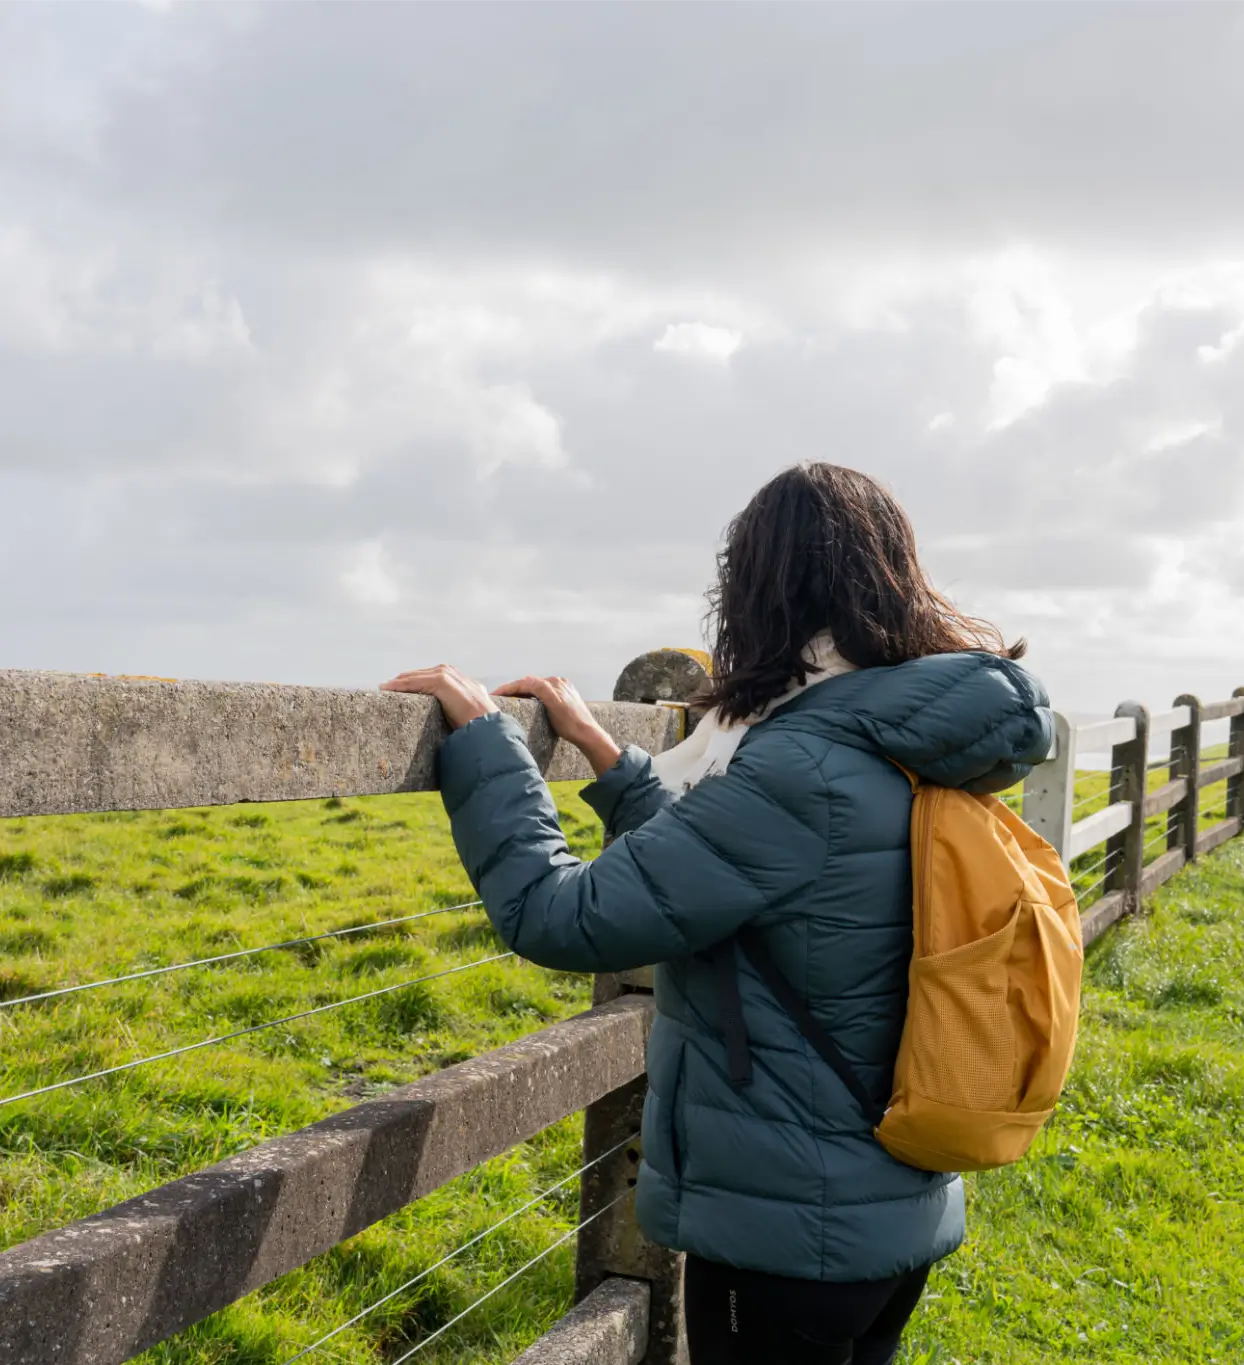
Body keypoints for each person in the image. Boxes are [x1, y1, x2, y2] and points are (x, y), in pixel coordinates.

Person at [383, 462, 1054, 1364]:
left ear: (760, 591)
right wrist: (609, 762)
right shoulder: (903, 742)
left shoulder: (801, 766)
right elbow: (745, 876)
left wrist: (487, 751)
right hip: (888, 1208)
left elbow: (561, 917)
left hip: (784, 1235)